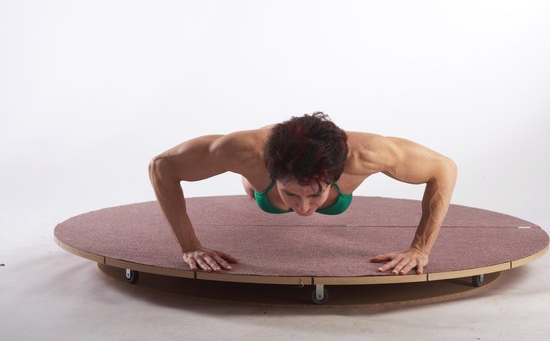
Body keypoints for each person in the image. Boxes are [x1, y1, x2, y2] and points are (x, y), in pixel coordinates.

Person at [149, 112, 457, 275]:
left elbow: (444, 168)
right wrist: (190, 246)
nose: (304, 209)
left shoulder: (369, 154)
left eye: (314, 195)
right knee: (265, 197)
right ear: (271, 172)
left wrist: (420, 248)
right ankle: (269, 188)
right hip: (261, 185)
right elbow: (160, 167)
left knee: (300, 197)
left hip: (327, 179)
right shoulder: (241, 151)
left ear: (336, 175)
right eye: (292, 195)